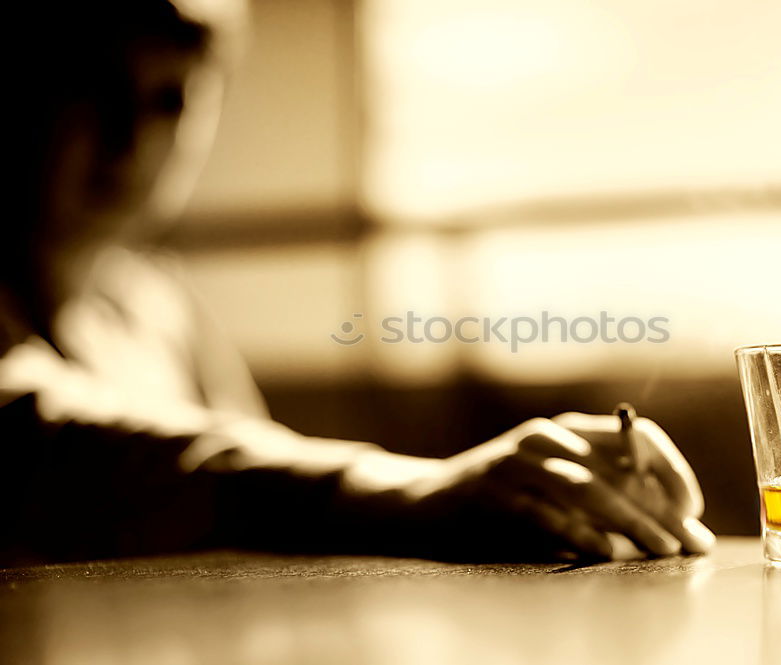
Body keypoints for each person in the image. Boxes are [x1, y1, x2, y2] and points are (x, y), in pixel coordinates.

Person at [0, 0, 714, 565]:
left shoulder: (157, 309)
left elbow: (249, 500)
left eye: (170, 101)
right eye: (93, 87)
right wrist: (419, 490)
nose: (132, 141)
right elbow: (50, 443)